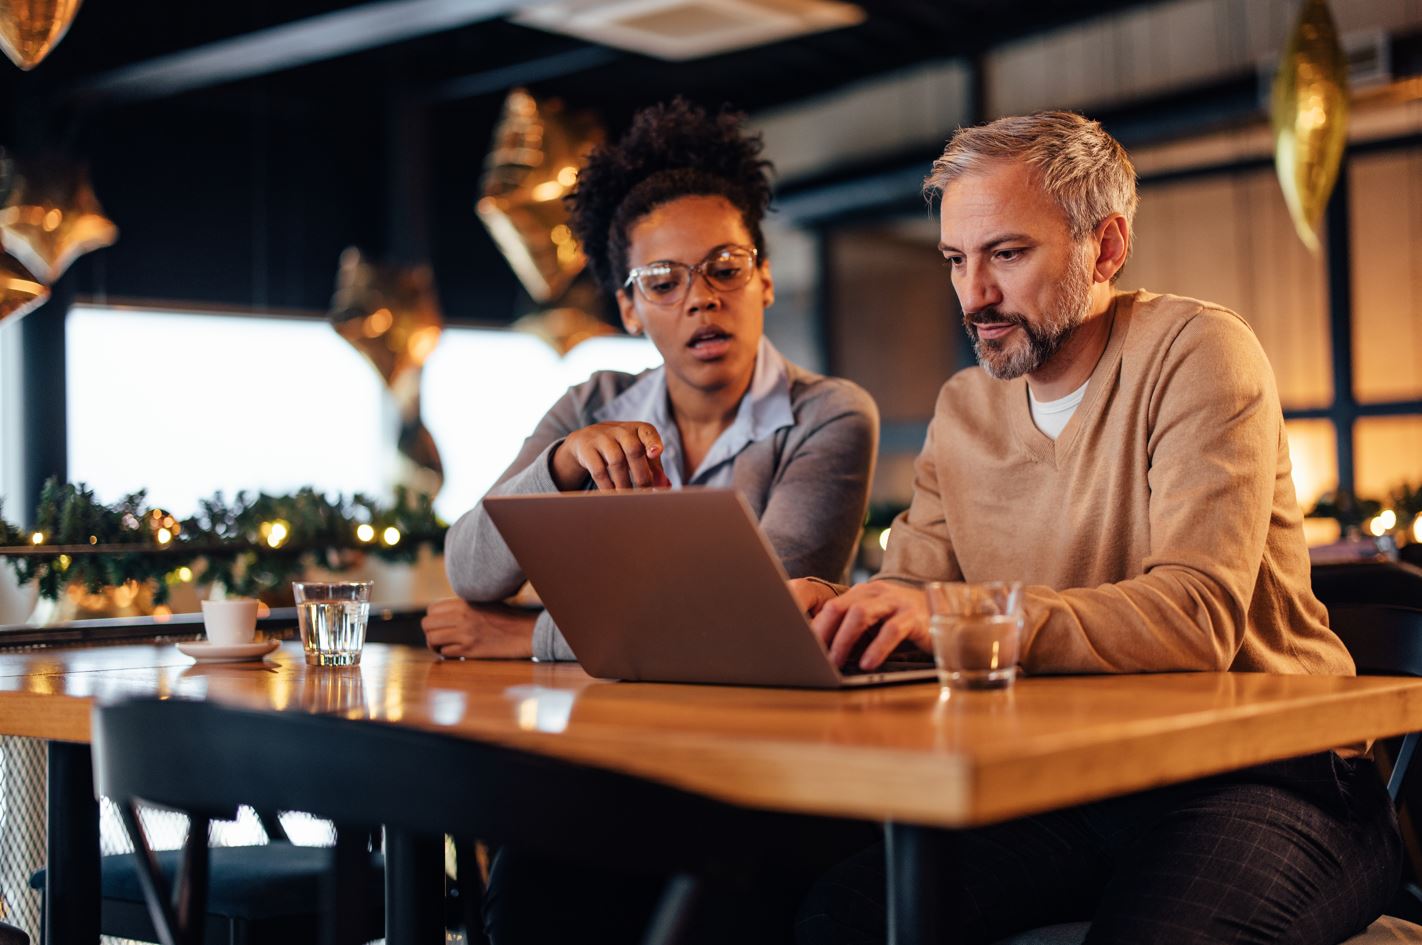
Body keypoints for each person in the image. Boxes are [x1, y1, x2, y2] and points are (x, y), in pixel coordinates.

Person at [790, 112, 1400, 945]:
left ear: (1105, 248)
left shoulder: (1198, 353)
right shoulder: (963, 409)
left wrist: (967, 618)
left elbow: (1196, 616)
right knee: (839, 912)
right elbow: (911, 592)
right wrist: (832, 609)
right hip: (1072, 784)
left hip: (1272, 779)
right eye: (956, 260)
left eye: (1007, 254)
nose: (974, 296)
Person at [427, 98, 878, 664]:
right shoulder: (592, 403)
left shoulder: (827, 414)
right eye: (663, 281)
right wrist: (562, 464)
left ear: (763, 279)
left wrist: (526, 637)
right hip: (608, 718)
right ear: (629, 309)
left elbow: (763, 611)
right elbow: (469, 573)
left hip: (767, 726)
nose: (701, 298)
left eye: (727, 267)